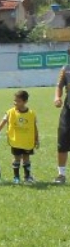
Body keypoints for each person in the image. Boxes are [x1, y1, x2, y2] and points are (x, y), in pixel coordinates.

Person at [0, 90, 39, 184]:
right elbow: (3, 122)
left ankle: (27, 177)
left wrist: (36, 139)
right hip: (15, 141)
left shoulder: (31, 114)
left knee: (26, 158)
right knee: (16, 159)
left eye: (18, 101)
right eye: (14, 100)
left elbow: (34, 127)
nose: (15, 103)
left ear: (25, 101)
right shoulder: (10, 112)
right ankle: (16, 177)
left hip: (27, 141)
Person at [53, 50, 70, 184]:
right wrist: (57, 97)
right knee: (62, 141)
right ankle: (61, 174)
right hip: (68, 110)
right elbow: (59, 85)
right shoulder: (66, 69)